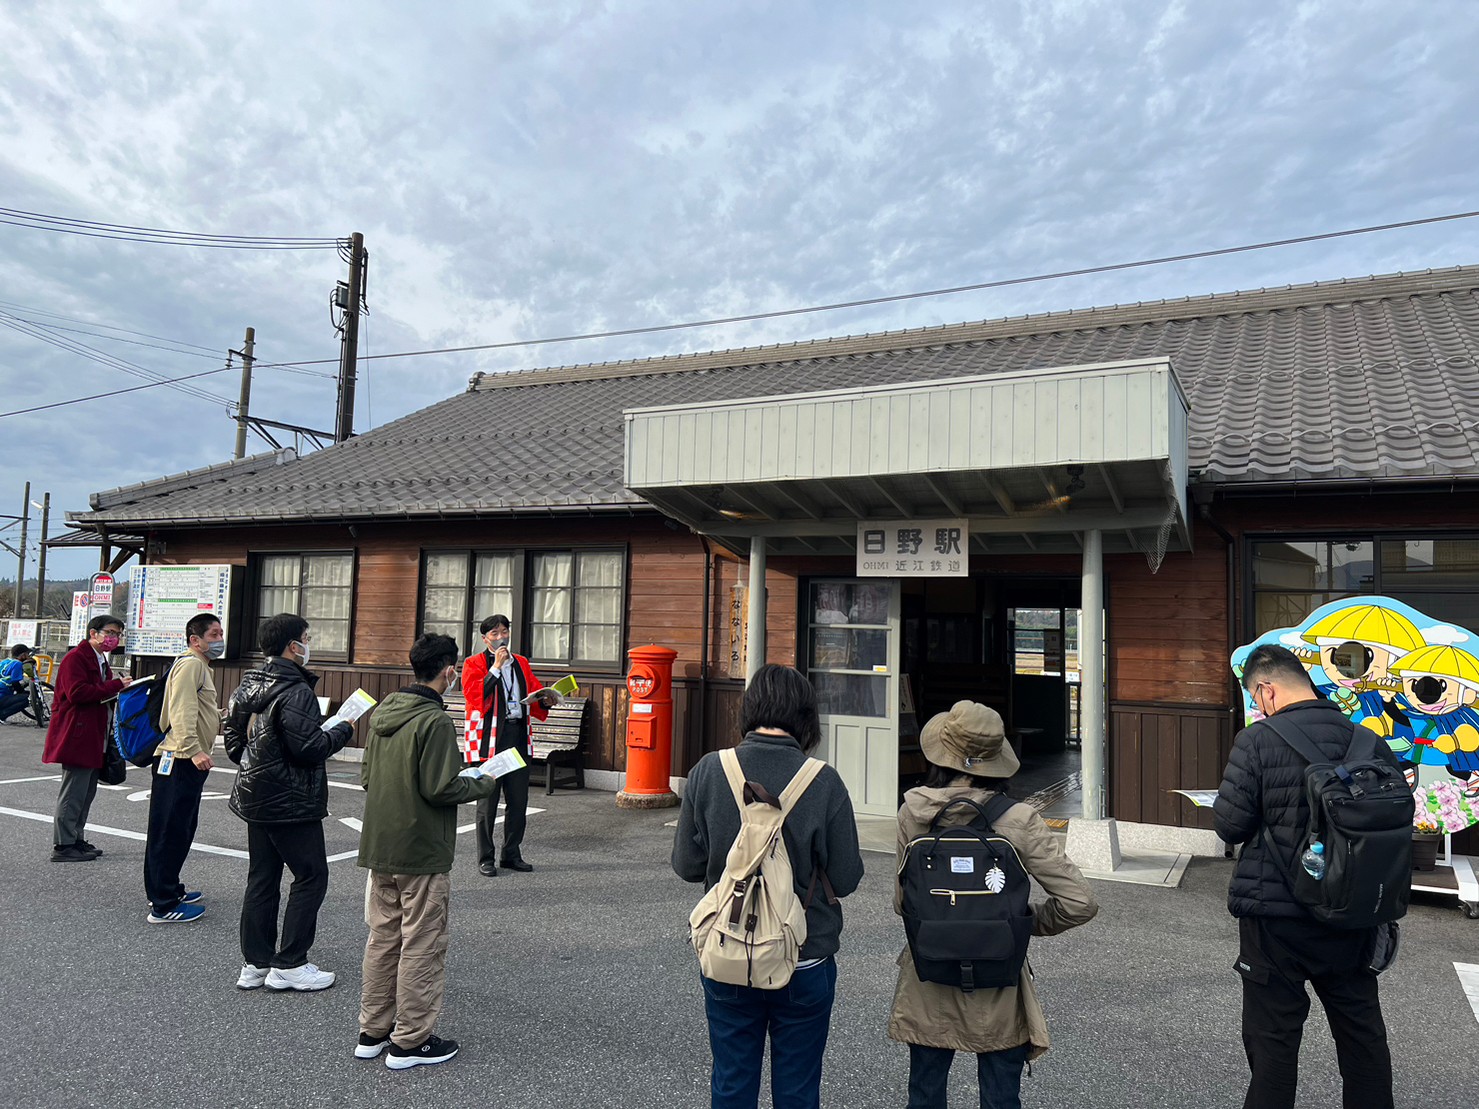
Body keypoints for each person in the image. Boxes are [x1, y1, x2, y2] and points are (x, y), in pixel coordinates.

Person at [1213, 643, 1398, 1109]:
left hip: (1277, 914)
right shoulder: (1366, 740)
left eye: (1257, 699)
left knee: (1273, 1040)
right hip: (1354, 911)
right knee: (1362, 1036)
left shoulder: (1257, 740)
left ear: (1267, 689)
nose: (1258, 707)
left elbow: (1231, 826)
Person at [672, 664, 865, 1109]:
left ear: (750, 709)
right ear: (805, 717)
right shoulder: (823, 780)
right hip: (804, 954)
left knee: (732, 1082)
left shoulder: (707, 770)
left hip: (728, 949)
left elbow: (686, 864)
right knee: (797, 1088)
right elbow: (847, 878)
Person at [888, 701, 1098, 1109]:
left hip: (929, 972)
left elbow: (902, 904)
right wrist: (1019, 922)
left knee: (925, 1093)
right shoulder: (1018, 819)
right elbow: (1080, 902)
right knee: (1001, 1096)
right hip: (999, 978)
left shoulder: (913, 813)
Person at [356, 634, 500, 1070]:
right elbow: (442, 787)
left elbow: (366, 777)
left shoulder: (385, 711)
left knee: (383, 938)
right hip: (420, 848)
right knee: (423, 941)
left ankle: (373, 1031)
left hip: (380, 843)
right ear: (448, 670)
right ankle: (411, 1041)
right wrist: (483, 779)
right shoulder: (434, 721)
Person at [224, 613, 353, 992]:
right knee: (311, 876)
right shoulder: (297, 691)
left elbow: (233, 735)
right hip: (291, 800)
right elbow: (309, 748)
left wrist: (252, 762)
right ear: (293, 646)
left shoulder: (248, 683)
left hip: (255, 796)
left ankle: (256, 963)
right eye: (306, 638)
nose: (309, 644)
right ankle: (291, 962)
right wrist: (343, 728)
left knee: (262, 877)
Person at [143, 613, 224, 924]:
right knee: (169, 830)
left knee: (178, 827)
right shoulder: (191, 664)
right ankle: (162, 904)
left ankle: (169, 888)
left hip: (182, 758)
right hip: (178, 758)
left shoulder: (198, 665)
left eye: (220, 633)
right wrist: (193, 750)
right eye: (214, 634)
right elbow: (182, 710)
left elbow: (199, 708)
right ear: (196, 640)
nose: (219, 640)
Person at [460, 614, 556, 877]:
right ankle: (485, 857)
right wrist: (496, 668)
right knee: (487, 800)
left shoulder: (521, 663)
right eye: (494, 633)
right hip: (489, 737)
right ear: (484, 639)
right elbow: (475, 695)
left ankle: (511, 853)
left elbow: (532, 693)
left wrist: (545, 700)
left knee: (518, 799)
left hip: (516, 734)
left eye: (504, 631)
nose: (501, 637)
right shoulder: (473, 663)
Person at [42, 616, 131, 861]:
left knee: (86, 791)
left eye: (118, 634)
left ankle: (76, 838)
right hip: (76, 733)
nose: (114, 638)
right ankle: (63, 845)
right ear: (94, 632)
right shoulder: (76, 658)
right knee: (73, 791)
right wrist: (115, 686)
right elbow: (77, 693)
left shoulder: (100, 658)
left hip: (94, 733)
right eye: (110, 632)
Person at [0, 643, 32, 722]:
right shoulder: (18, 664)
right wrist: (23, 692)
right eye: (27, 654)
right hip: (2, 696)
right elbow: (15, 682)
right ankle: (2, 715)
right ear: (23, 655)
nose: (28, 656)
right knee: (27, 699)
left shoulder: (5, 661)